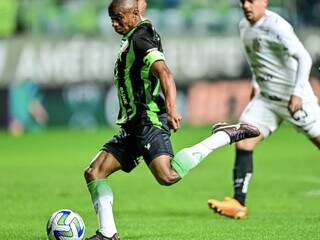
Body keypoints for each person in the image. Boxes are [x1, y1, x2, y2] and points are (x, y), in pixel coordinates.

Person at [84, 0, 259, 239]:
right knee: (94, 172)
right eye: (111, 19)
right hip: (132, 124)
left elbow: (164, 72)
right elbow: (140, 4)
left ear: (134, 14)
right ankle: (107, 233)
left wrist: (173, 108)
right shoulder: (138, 23)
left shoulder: (140, 39)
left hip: (148, 120)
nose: (114, 24)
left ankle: (224, 136)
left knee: (167, 176)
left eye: (118, 18)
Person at [208, 0, 320, 219]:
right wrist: (256, 84)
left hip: (294, 99)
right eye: (242, 1)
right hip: (267, 99)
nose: (246, 5)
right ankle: (238, 203)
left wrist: (297, 92)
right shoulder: (244, 26)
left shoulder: (277, 26)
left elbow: (304, 57)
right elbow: (257, 59)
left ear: (264, 2)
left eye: (251, 1)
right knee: (243, 140)